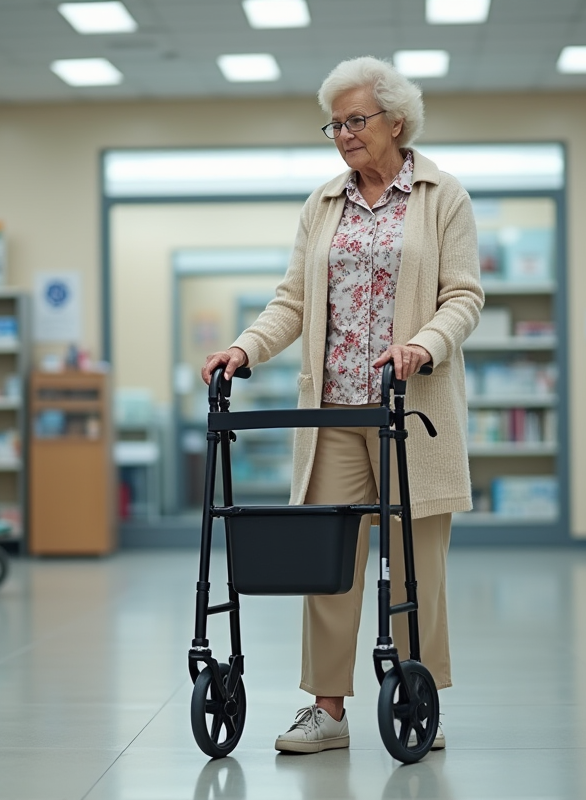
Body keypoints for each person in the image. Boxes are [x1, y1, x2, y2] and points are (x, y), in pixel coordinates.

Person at [202, 55, 483, 754]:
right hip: (332, 414)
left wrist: (423, 345)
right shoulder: (323, 204)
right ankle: (326, 709)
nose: (344, 134)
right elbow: (292, 301)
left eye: (356, 120)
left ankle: (417, 696)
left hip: (408, 411)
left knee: (416, 564)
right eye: (334, 124)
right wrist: (243, 349)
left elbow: (463, 297)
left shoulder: (442, 197)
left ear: (397, 121)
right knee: (325, 563)